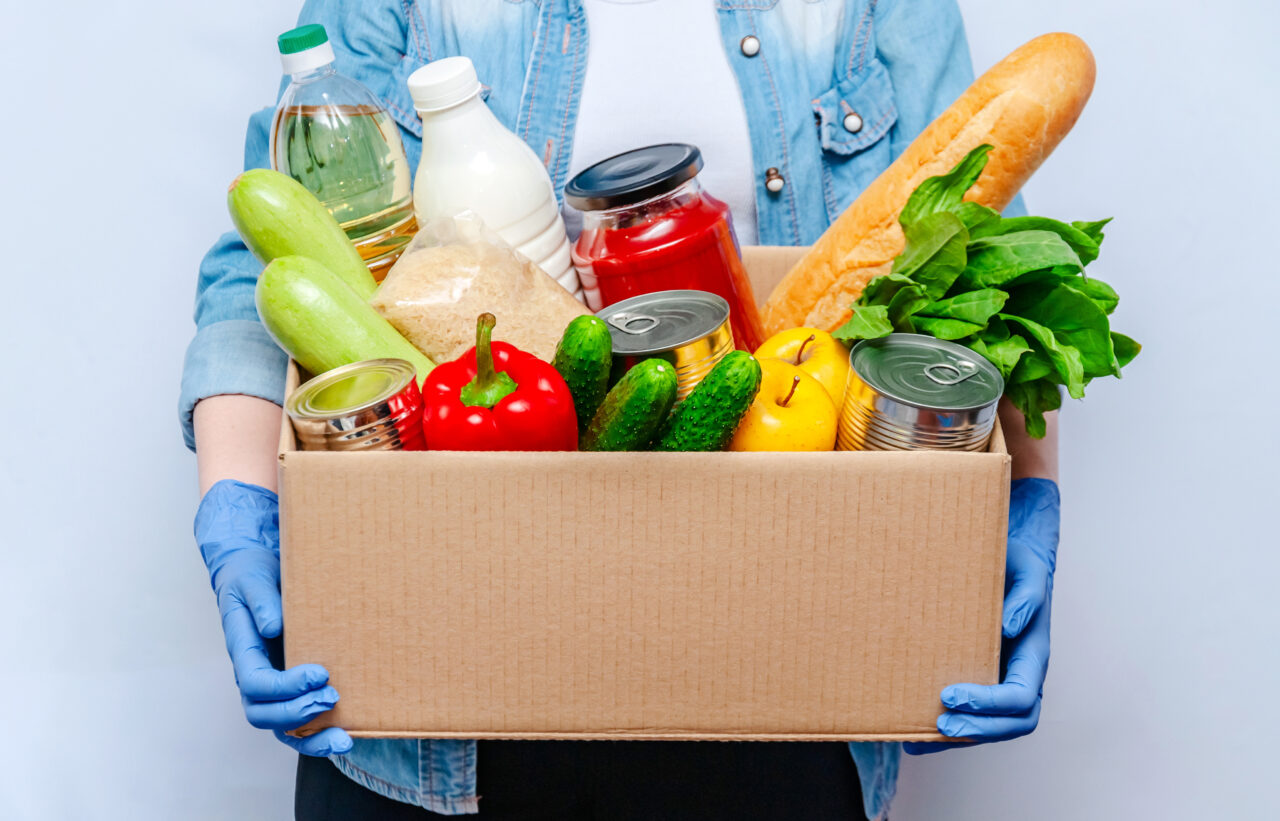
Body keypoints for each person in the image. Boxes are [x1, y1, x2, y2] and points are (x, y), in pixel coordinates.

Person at [183, 1, 1062, 819]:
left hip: (782, 657)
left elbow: (987, 262)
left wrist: (1015, 507)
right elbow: (261, 264)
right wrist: (239, 506)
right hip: (438, 691)